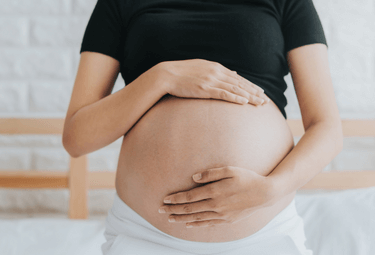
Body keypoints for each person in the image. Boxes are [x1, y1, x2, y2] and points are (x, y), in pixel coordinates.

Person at [62, 0, 343, 254]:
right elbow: (77, 137)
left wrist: (271, 189)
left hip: (264, 234)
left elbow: (326, 127)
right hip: (145, 237)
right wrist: (163, 77)